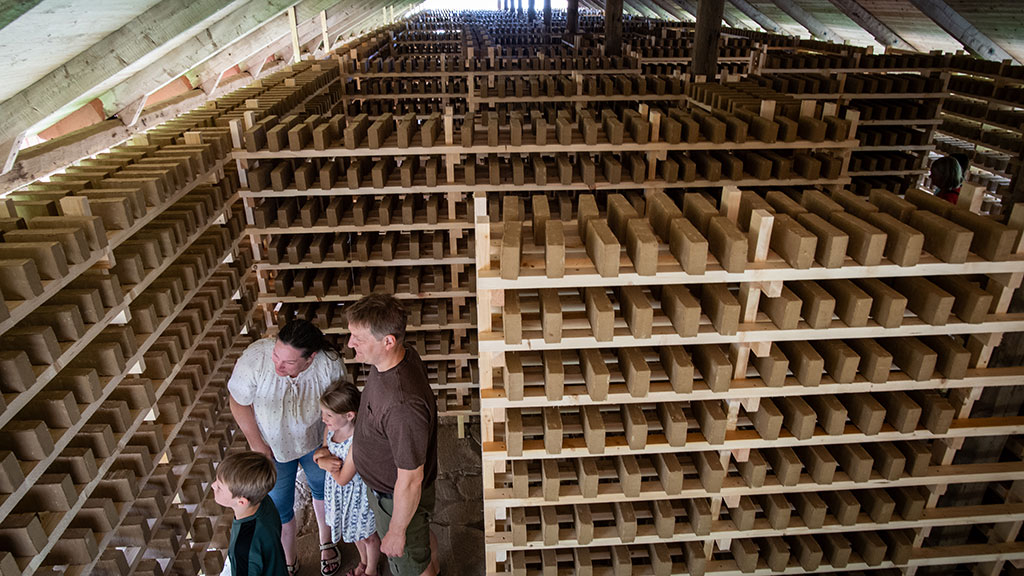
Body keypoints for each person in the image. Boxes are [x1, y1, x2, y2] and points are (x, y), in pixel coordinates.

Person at [228, 319, 345, 576]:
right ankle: (288, 557)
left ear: (310, 358)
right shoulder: (256, 359)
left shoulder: (329, 365)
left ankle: (326, 541)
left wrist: (327, 445)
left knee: (323, 490)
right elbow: (238, 401)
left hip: (315, 441)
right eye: (276, 355)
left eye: (288, 362)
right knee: (279, 503)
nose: (278, 366)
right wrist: (257, 444)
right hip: (273, 446)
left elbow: (337, 408)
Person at [346, 294, 441, 576]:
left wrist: (397, 530)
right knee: (419, 543)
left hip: (395, 498)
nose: (350, 344)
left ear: (388, 341)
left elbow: (411, 481)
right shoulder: (401, 357)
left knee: (410, 562)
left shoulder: (402, 407)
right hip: (388, 493)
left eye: (357, 338)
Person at [314, 382, 381, 576]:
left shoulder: (357, 442)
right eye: (323, 413)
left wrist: (324, 463)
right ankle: (363, 562)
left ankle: (372, 570)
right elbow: (322, 452)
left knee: (368, 536)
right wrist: (321, 461)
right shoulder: (331, 430)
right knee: (354, 533)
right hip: (339, 495)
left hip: (357, 495)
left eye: (328, 415)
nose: (323, 418)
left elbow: (343, 478)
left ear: (349, 415)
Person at [213, 451, 288, 576]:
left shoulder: (243, 546)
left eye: (220, 487)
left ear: (241, 502)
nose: (213, 486)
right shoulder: (264, 501)